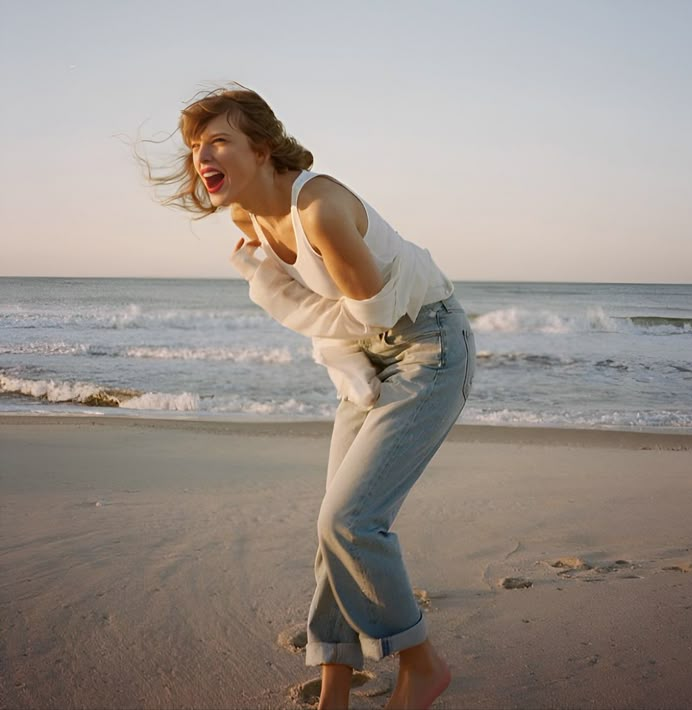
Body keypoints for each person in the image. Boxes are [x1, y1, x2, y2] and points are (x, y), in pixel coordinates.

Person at [153, 86, 475, 710]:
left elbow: (369, 314)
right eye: (196, 146)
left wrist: (267, 286)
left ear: (263, 148)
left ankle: (422, 663)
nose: (202, 156)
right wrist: (267, 279)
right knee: (332, 527)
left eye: (218, 140)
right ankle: (334, 689)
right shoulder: (247, 219)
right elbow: (334, 322)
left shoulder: (321, 207)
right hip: (364, 354)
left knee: (350, 521)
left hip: (427, 346)